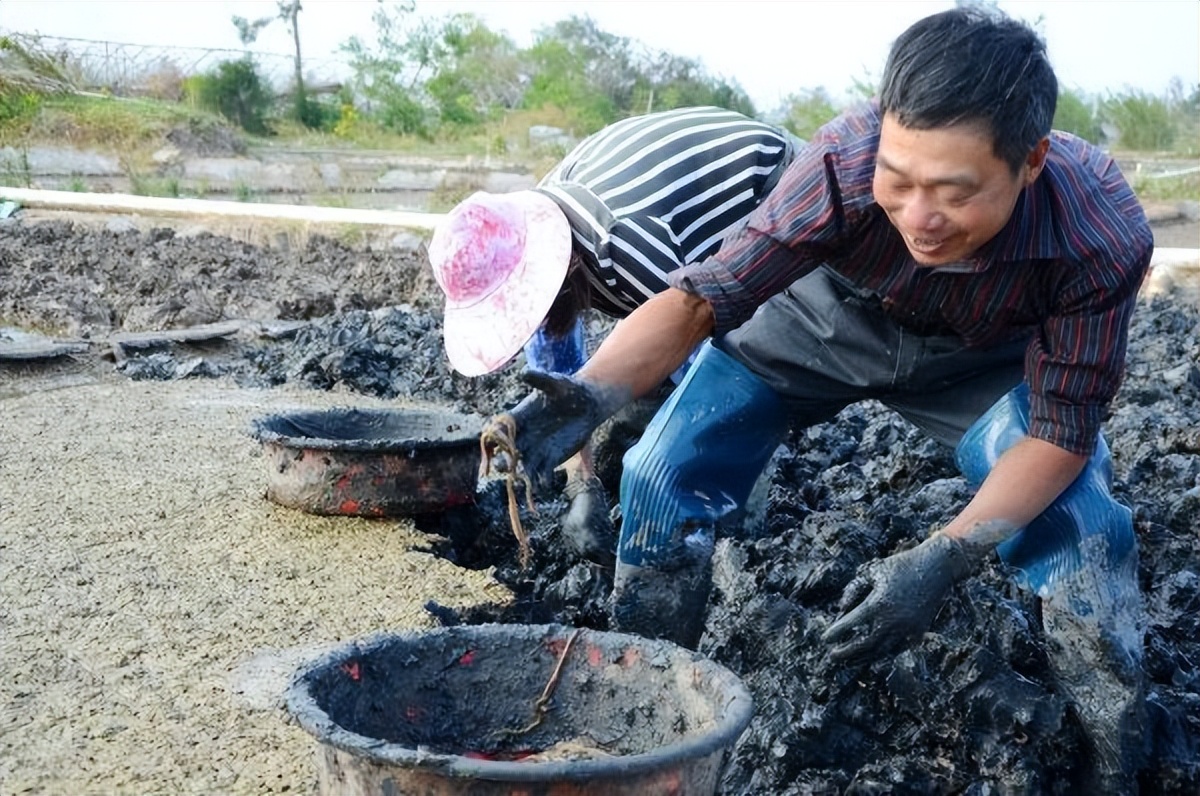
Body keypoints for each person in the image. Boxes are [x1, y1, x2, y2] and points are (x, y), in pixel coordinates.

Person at [481, 7, 1152, 789]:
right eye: (898, 181)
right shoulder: (843, 157)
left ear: (1031, 160)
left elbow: (1061, 433)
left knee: (1082, 530)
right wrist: (593, 393)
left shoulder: (1098, 231)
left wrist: (942, 557)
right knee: (663, 470)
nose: (920, 218)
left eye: (953, 192)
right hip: (823, 316)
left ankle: (1117, 761)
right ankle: (645, 720)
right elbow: (704, 298)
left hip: (985, 355)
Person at [428, 106, 801, 562]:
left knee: (719, 405)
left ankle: (739, 534)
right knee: (632, 411)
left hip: (783, 193)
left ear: (559, 270)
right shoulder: (538, 231)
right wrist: (581, 486)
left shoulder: (624, 243)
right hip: (680, 240)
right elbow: (564, 388)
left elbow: (704, 360)